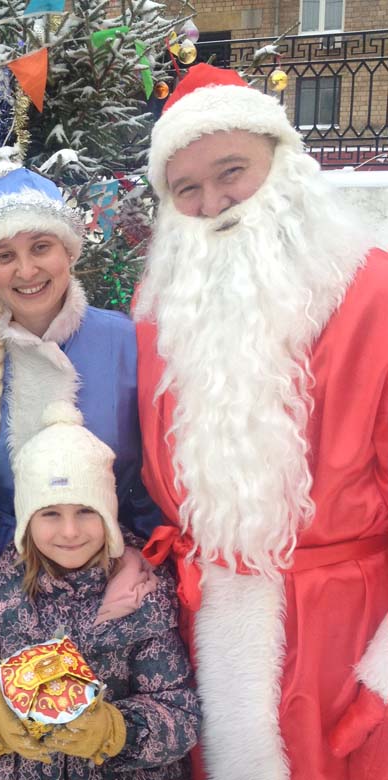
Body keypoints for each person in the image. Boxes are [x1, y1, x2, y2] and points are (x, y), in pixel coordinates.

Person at [133, 62, 388, 780]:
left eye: (231, 172)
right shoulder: (161, 312)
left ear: (282, 165)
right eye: (186, 188)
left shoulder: (374, 292)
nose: (213, 202)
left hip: (347, 634)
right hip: (205, 624)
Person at [0, 165, 160, 760]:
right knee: (8, 743)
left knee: (94, 742)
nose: (26, 271)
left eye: (41, 247)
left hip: (108, 581)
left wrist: (150, 560)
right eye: (4, 256)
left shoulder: (128, 342)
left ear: (68, 250)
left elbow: (157, 472)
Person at [0, 401, 200, 779]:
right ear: (28, 521)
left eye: (85, 511)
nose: (70, 531)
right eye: (50, 513)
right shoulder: (4, 589)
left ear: (108, 514)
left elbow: (180, 713)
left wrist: (115, 731)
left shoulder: (143, 596)